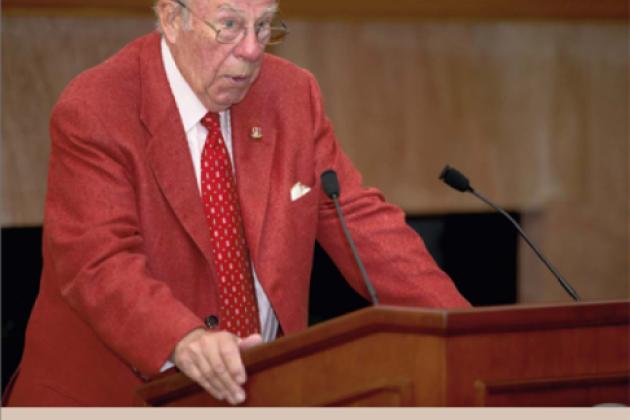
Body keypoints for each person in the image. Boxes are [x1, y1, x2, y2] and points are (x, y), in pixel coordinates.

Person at [6, 0, 469, 407]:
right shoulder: (96, 107)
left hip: (259, 395)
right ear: (171, 18)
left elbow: (361, 222)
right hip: (111, 399)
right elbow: (98, 263)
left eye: (264, 26)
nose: (252, 50)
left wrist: (468, 334)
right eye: (229, 25)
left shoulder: (292, 95)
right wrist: (183, 338)